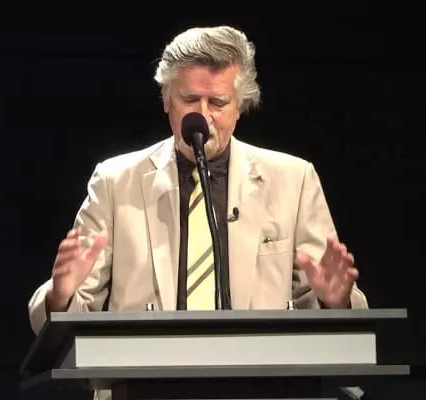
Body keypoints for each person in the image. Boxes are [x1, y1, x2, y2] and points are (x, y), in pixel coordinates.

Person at [28, 24, 368, 331]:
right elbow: (64, 317)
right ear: (166, 99)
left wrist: (335, 301)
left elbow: (330, 310)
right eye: (189, 99)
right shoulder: (115, 182)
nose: (202, 116)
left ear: (240, 106)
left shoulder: (293, 181)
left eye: (218, 102)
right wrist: (60, 296)